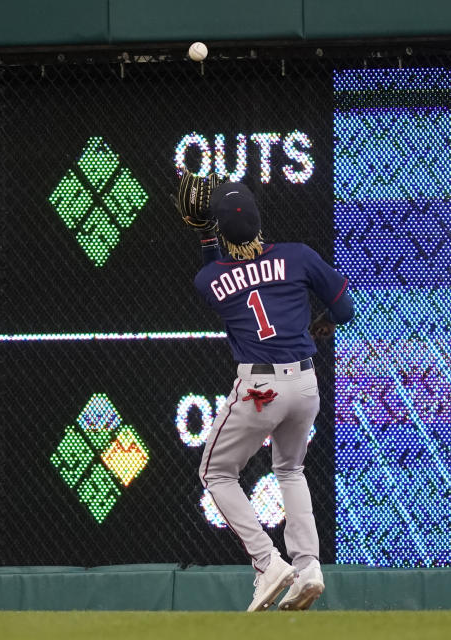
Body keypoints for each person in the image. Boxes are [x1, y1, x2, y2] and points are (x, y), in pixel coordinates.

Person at [179, 172, 354, 611]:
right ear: (259, 221)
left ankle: (267, 563)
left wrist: (204, 237)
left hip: (261, 389)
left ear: (220, 231)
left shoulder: (210, 280)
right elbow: (345, 309)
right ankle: (309, 567)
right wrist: (320, 323)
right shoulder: (298, 257)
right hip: (305, 383)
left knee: (215, 473)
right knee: (291, 470)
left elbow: (217, 275)